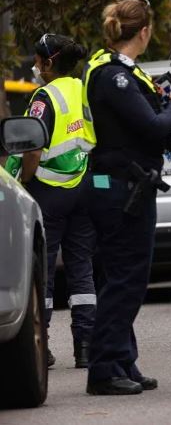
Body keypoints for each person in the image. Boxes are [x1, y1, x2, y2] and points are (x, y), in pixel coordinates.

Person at [82, 0, 171, 396]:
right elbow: (154, 126)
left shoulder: (122, 72)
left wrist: (168, 106)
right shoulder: (115, 77)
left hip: (128, 185)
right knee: (125, 280)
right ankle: (104, 368)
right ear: (143, 31)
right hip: (119, 188)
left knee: (123, 278)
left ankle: (122, 359)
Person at [6, 34, 96, 369]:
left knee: (41, 273)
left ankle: (39, 347)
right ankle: (85, 347)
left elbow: (32, 148)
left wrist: (25, 180)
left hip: (48, 192)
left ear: (47, 63)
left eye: (37, 60)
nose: (35, 66)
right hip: (83, 189)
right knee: (82, 269)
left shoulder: (44, 98)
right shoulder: (82, 88)